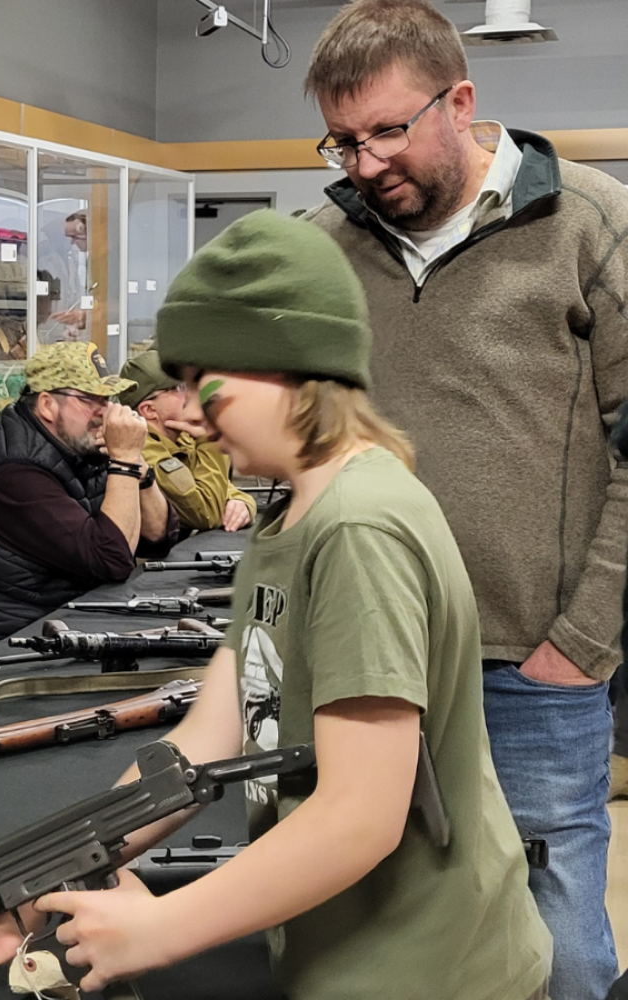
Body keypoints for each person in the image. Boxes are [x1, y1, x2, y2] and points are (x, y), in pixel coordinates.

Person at [0, 209, 552, 1000]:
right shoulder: (295, 519)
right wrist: (47, 885)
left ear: (288, 367)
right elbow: (201, 743)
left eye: (201, 383)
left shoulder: (358, 525)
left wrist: (158, 930)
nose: (183, 413)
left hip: (425, 972)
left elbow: (361, 814)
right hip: (349, 955)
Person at [301, 3, 628, 995]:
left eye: (387, 131)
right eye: (343, 140)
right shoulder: (326, 244)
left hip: (532, 673)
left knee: (558, 954)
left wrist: (581, 643)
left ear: (461, 101)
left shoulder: (589, 223)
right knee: (391, 938)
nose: (364, 164)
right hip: (368, 659)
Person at [0, 341, 178, 672]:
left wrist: (138, 468)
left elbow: (158, 537)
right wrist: (125, 461)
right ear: (47, 404)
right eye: (90, 399)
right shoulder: (14, 471)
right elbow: (111, 559)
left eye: (108, 399)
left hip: (48, 628)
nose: (105, 412)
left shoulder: (77, 446)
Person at [119, 349, 255, 533]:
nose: (191, 394)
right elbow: (207, 512)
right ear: (149, 410)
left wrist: (242, 503)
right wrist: (211, 441)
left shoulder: (182, 437)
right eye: (180, 388)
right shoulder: (143, 450)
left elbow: (223, 488)